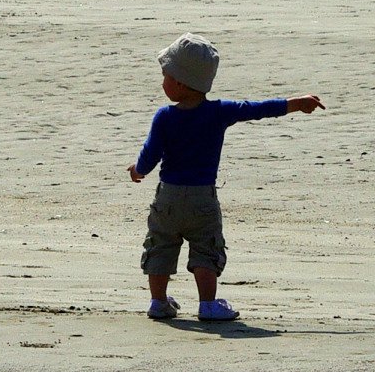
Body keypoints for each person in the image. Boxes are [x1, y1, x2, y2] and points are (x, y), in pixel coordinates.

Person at [127, 32, 322, 322]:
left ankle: (158, 302)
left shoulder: (164, 116)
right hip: (202, 198)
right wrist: (297, 102)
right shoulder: (218, 112)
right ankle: (207, 303)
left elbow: (150, 154)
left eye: (165, 75)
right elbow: (257, 109)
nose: (162, 81)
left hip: (167, 196)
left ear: (180, 82)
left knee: (161, 244)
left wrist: (138, 171)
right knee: (206, 247)